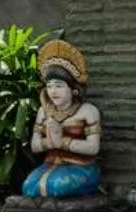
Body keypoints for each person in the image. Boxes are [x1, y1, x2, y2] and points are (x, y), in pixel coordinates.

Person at [21, 39, 104, 199]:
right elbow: (35, 146)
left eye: (59, 86)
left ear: (74, 90)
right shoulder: (43, 112)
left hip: (82, 167)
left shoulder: (87, 111)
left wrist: (63, 142)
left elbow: (93, 148)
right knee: (29, 187)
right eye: (50, 86)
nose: (53, 91)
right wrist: (49, 142)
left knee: (56, 187)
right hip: (51, 165)